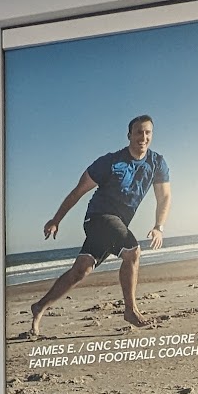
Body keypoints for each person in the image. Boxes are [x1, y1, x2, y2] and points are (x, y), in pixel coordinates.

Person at [27, 115, 172, 336]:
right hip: (98, 218)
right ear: (129, 135)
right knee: (132, 252)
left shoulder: (157, 163)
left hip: (116, 225)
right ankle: (130, 310)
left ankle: (39, 307)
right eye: (138, 132)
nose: (143, 137)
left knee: (81, 270)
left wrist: (158, 226)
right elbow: (78, 191)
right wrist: (56, 220)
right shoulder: (110, 162)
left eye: (147, 132)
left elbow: (164, 197)